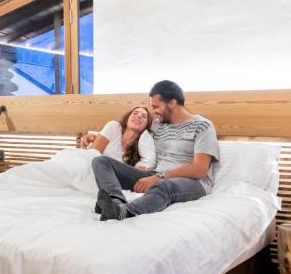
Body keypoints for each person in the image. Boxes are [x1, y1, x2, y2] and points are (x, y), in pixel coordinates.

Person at [93, 80, 219, 220]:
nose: (154, 112)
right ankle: (115, 202)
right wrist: (93, 136)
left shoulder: (202, 126)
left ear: (171, 103)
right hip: (155, 175)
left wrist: (160, 177)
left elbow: (199, 169)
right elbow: (128, 128)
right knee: (101, 162)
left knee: (164, 186)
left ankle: (124, 212)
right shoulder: (157, 125)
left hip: (192, 182)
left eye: (156, 107)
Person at [78, 105, 156, 170]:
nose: (139, 116)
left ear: (146, 126)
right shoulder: (114, 127)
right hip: (90, 168)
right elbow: (92, 154)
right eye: (135, 113)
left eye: (144, 116)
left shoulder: (144, 146)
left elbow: (144, 167)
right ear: (127, 119)